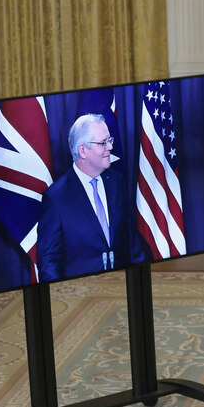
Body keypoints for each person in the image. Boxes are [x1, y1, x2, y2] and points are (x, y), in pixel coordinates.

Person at [38, 114, 145, 282]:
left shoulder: (116, 182)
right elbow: (49, 262)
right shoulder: (56, 198)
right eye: (103, 143)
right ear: (82, 150)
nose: (110, 147)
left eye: (110, 140)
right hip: (83, 294)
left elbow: (133, 243)